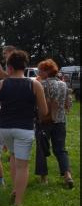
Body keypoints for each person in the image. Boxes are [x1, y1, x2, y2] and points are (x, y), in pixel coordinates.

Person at [0, 50, 48, 206]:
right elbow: (44, 111)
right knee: (23, 165)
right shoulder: (35, 84)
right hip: (25, 128)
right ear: (25, 66)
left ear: (9, 67)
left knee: (14, 156)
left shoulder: (0, 85)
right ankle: (18, 202)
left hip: (5, 129)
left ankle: (15, 190)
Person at [34, 59, 74, 188]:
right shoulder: (63, 84)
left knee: (41, 149)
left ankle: (44, 178)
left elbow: (37, 103)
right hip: (60, 121)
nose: (38, 72)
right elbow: (69, 104)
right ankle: (67, 175)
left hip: (44, 121)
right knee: (61, 149)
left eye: (40, 70)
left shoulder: (41, 84)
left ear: (47, 71)